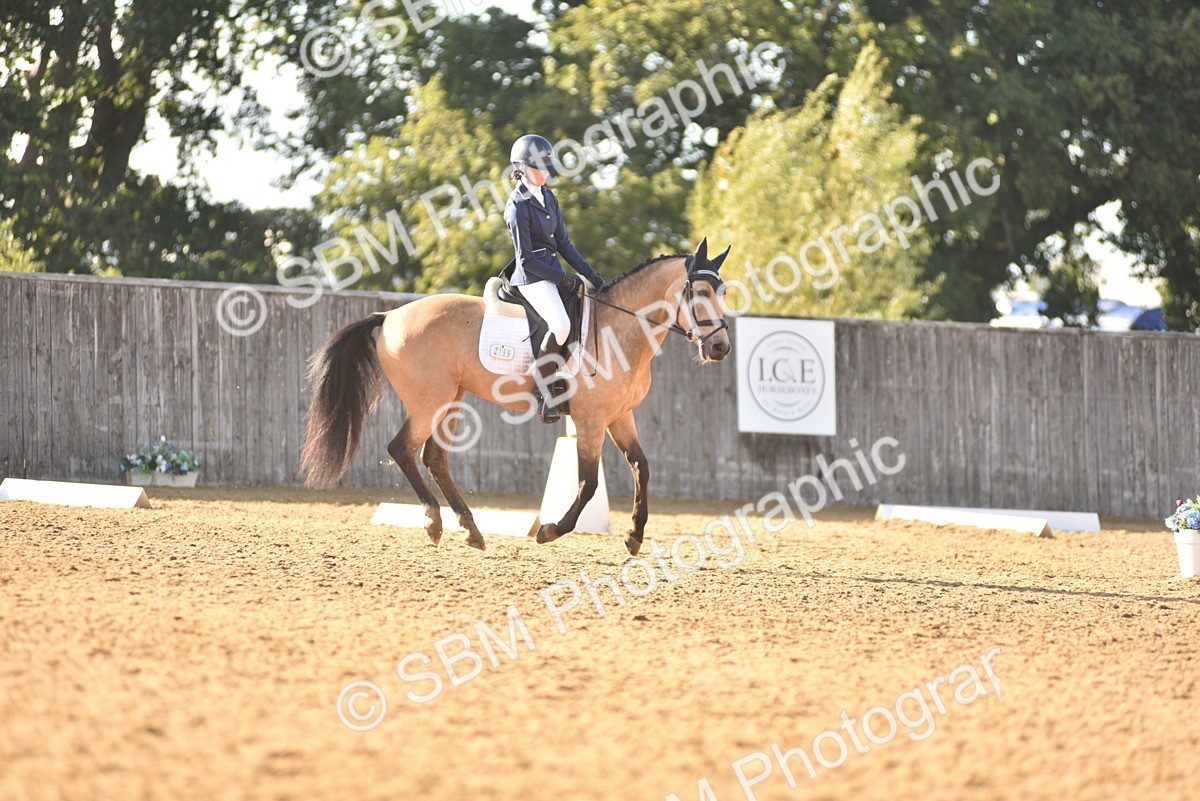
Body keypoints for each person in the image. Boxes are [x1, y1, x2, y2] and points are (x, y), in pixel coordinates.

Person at [503, 134, 606, 424]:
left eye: (548, 167)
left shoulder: (548, 197)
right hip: (531, 278)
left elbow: (564, 245)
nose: (546, 172)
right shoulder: (517, 206)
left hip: (551, 273)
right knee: (560, 325)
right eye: (540, 168)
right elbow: (526, 259)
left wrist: (590, 275)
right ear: (522, 168)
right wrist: (562, 278)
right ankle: (542, 390)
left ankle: (567, 379)